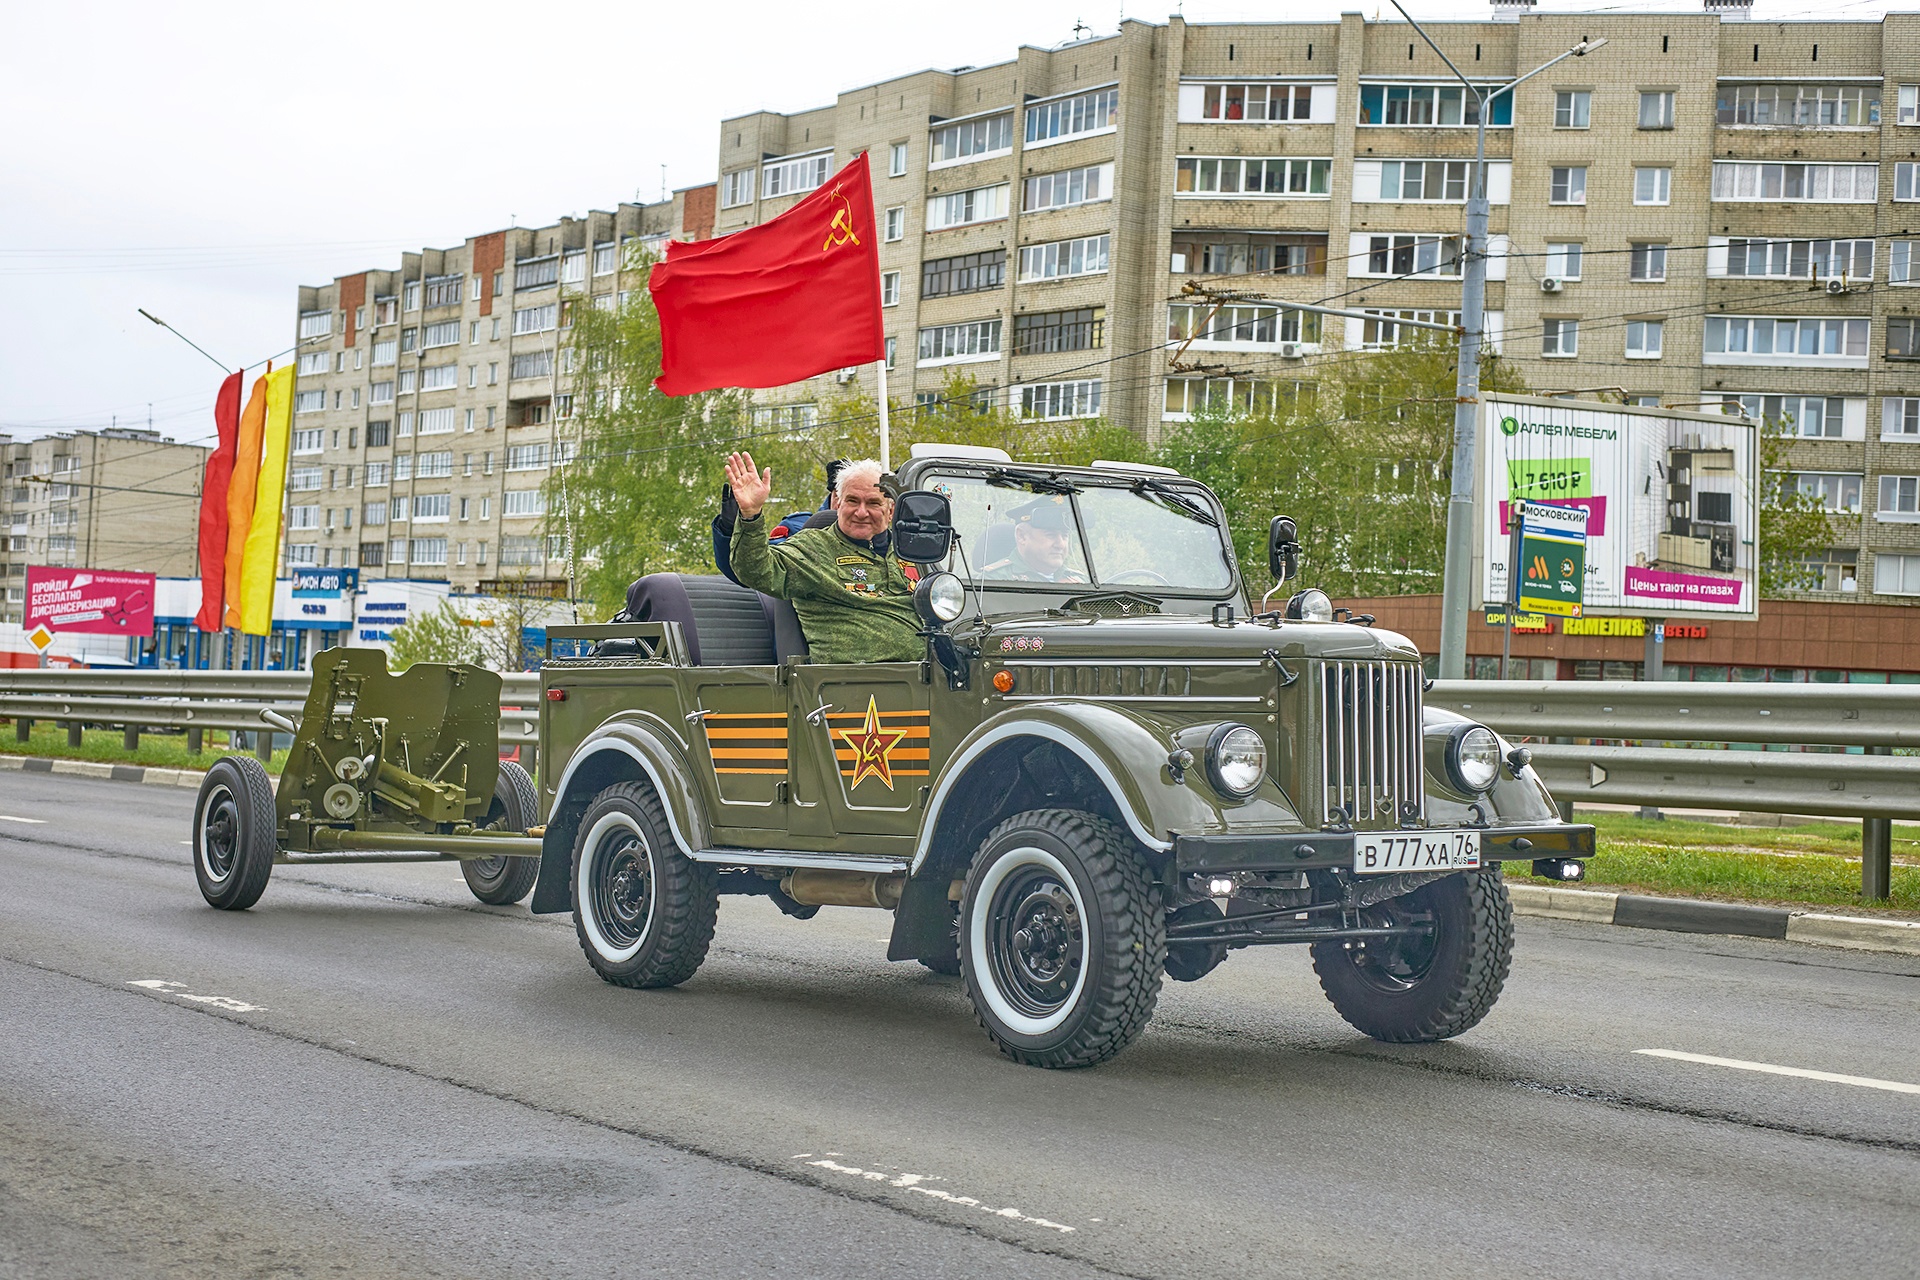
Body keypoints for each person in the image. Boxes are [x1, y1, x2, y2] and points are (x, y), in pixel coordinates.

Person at [723, 452, 923, 663]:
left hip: (931, 679)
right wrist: (751, 515)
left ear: (891, 511)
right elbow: (756, 570)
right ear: (838, 504)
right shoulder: (814, 548)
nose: (861, 512)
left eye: (873, 503)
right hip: (855, 684)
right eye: (852, 501)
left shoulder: (914, 553)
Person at [980, 495, 1087, 583]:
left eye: (1065, 535)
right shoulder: (992, 581)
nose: (1061, 545)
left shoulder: (1081, 581)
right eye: (1050, 535)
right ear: (1022, 536)